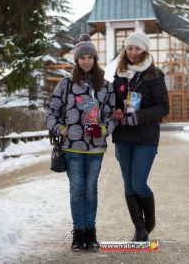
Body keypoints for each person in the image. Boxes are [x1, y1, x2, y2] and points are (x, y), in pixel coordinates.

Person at [46, 34, 115, 251]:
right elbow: (51, 113)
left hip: (94, 148)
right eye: (82, 57)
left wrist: (104, 129)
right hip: (71, 148)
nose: (86, 61)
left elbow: (113, 115)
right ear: (76, 60)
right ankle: (78, 233)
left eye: (90, 57)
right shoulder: (65, 85)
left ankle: (91, 233)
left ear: (95, 60)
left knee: (90, 190)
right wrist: (62, 129)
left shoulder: (106, 86)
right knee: (77, 190)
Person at [112, 32, 169, 241]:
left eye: (137, 48)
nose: (133, 53)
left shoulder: (154, 74)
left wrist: (138, 116)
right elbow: (115, 101)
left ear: (145, 50)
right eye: (129, 48)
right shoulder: (120, 73)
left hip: (145, 136)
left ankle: (149, 222)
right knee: (128, 185)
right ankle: (139, 228)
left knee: (139, 184)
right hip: (123, 135)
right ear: (125, 51)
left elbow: (164, 107)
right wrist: (116, 111)